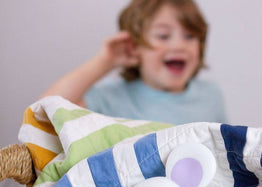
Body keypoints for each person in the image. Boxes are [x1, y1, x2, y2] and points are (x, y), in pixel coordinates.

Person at [41, 0, 227, 125]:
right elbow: (43, 112)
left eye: (190, 36)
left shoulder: (210, 96)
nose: (179, 45)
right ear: (134, 45)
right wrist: (104, 62)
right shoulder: (111, 97)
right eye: (163, 36)